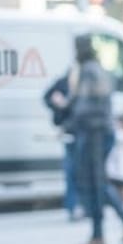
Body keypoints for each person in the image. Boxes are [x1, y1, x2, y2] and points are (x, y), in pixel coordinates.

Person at [68, 35, 123, 244]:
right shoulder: (97, 69)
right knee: (98, 183)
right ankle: (121, 223)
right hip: (98, 132)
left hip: (93, 133)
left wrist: (69, 117)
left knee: (95, 183)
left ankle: (103, 233)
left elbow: (85, 106)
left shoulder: (88, 71)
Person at [43, 68, 81, 220]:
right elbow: (47, 97)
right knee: (72, 171)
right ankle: (73, 207)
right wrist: (58, 103)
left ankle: (80, 206)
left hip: (78, 131)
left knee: (77, 171)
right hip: (70, 132)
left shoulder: (84, 85)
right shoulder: (63, 83)